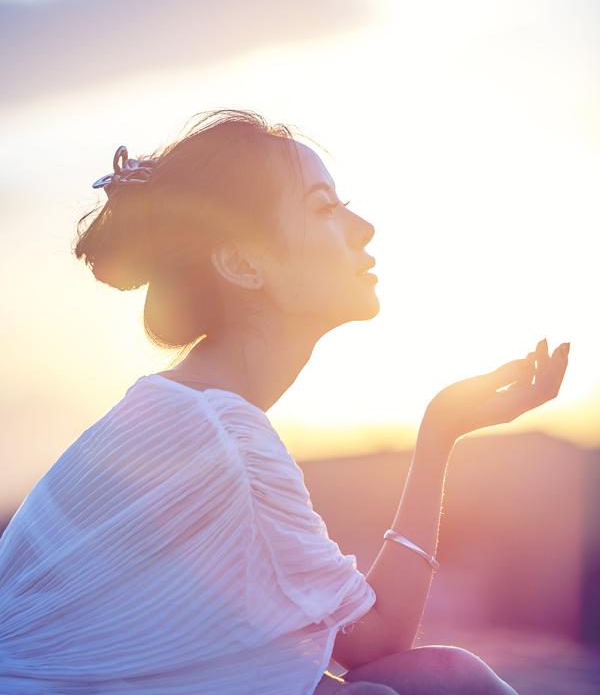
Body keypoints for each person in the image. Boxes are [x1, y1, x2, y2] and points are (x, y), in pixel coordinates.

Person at [0, 110, 568, 695]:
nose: (364, 226)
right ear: (243, 263)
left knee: (445, 679)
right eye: (324, 208)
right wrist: (440, 433)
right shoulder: (225, 441)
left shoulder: (175, 408)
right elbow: (375, 638)